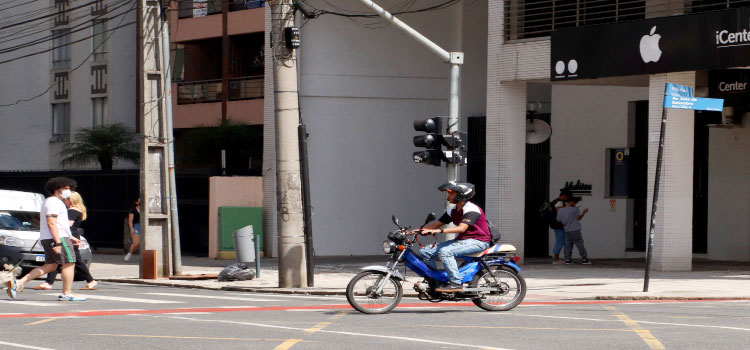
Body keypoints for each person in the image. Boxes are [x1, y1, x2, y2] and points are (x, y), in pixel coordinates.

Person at [8, 177, 87, 301]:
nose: (69, 191)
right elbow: (51, 223)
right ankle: (66, 293)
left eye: (69, 188)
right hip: (57, 238)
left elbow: (58, 224)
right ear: (57, 189)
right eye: (66, 188)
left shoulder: (50, 201)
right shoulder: (54, 202)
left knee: (50, 266)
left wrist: (70, 236)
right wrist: (58, 241)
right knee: (69, 263)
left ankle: (18, 283)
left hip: (52, 237)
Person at [414, 182, 491, 292]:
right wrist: (413, 231)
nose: (448, 196)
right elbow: (435, 224)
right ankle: (436, 280)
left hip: (478, 241)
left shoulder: (472, 209)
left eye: (451, 193)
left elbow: (461, 228)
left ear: (461, 195)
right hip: (463, 241)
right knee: (425, 252)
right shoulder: (453, 210)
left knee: (446, 252)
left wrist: (438, 231)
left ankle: (455, 283)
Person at [35, 191, 97, 290]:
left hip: (68, 236)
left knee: (71, 260)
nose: (64, 200)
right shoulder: (76, 210)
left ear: (71, 200)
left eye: (66, 199)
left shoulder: (72, 211)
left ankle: (90, 280)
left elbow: (67, 225)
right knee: (62, 260)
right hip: (69, 236)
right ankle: (48, 282)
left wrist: (55, 223)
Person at [556, 196, 592, 265]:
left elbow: (558, 220)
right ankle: (584, 259)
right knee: (580, 244)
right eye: (575, 202)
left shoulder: (560, 210)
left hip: (566, 230)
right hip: (575, 229)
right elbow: (579, 218)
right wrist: (584, 212)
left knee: (567, 245)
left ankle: (568, 260)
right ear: (572, 202)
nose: (575, 204)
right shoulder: (575, 209)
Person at [546, 189, 572, 264]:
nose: (567, 198)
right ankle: (556, 259)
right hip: (558, 225)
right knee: (560, 241)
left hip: (557, 225)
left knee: (561, 240)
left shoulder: (555, 201)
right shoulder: (559, 203)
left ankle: (559, 258)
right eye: (567, 197)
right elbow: (560, 213)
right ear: (563, 196)